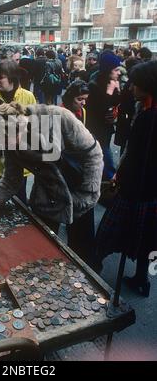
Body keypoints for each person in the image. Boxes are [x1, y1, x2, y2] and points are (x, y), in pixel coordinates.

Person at [0, 101, 103, 268]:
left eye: (2, 141)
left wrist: (87, 192)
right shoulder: (10, 141)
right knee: (43, 247)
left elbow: (93, 154)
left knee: (82, 251)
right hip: (47, 191)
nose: (1, 147)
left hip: (79, 187)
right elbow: (11, 181)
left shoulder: (57, 117)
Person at [95, 61, 157, 296]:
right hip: (149, 189)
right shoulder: (145, 111)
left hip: (137, 189)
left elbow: (136, 157)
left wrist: (120, 179)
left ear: (147, 86)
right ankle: (142, 278)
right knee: (147, 237)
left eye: (135, 83)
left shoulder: (149, 118)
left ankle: (92, 273)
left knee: (107, 234)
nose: (131, 87)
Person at [0, 59, 36, 203]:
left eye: (1, 77)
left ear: (12, 77)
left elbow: (35, 126)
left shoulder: (27, 96)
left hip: (20, 161)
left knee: (20, 204)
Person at [61, 81, 95, 265]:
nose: (83, 103)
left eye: (85, 100)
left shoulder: (82, 113)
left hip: (77, 169)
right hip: (61, 169)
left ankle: (78, 253)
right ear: (69, 98)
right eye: (79, 99)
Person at [86, 51, 121, 180]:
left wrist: (116, 91)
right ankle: (110, 178)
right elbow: (100, 109)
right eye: (116, 70)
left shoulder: (111, 82)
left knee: (102, 153)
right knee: (103, 154)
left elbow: (116, 103)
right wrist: (110, 92)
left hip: (107, 126)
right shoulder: (94, 85)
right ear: (107, 70)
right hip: (97, 127)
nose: (119, 73)